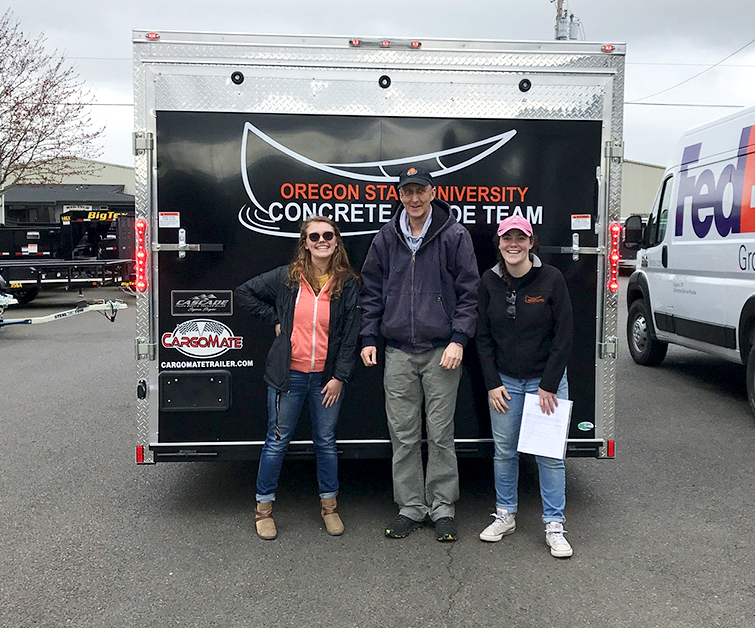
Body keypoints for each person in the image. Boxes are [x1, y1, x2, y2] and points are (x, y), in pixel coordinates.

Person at [360, 167, 479, 542]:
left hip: (442, 350)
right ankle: (410, 507)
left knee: (441, 433)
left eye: (420, 191)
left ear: (432, 192)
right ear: (399, 195)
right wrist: (368, 337)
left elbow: (469, 292)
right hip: (397, 352)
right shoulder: (386, 237)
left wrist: (459, 338)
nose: (413, 198)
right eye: (407, 191)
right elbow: (372, 292)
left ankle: (442, 508)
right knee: (404, 435)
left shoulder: (454, 235)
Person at [236, 216, 360, 540]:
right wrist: (276, 319)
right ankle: (263, 510)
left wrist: (339, 378)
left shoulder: (346, 283)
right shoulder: (286, 278)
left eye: (328, 235)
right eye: (314, 236)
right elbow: (244, 293)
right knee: (276, 442)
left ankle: (330, 507)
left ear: (336, 241)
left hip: (326, 380)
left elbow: (350, 337)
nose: (321, 241)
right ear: (305, 242)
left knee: (326, 443)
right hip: (288, 376)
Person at [474, 214, 574, 558]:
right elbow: (482, 336)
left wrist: (548, 384)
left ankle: (554, 524)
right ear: (499, 244)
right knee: (504, 452)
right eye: (507, 238)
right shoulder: (489, 281)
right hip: (505, 383)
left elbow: (564, 336)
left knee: (549, 456)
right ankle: (505, 514)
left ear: (532, 243)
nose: (513, 244)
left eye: (521, 238)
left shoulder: (551, 279)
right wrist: (492, 383)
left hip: (545, 383)